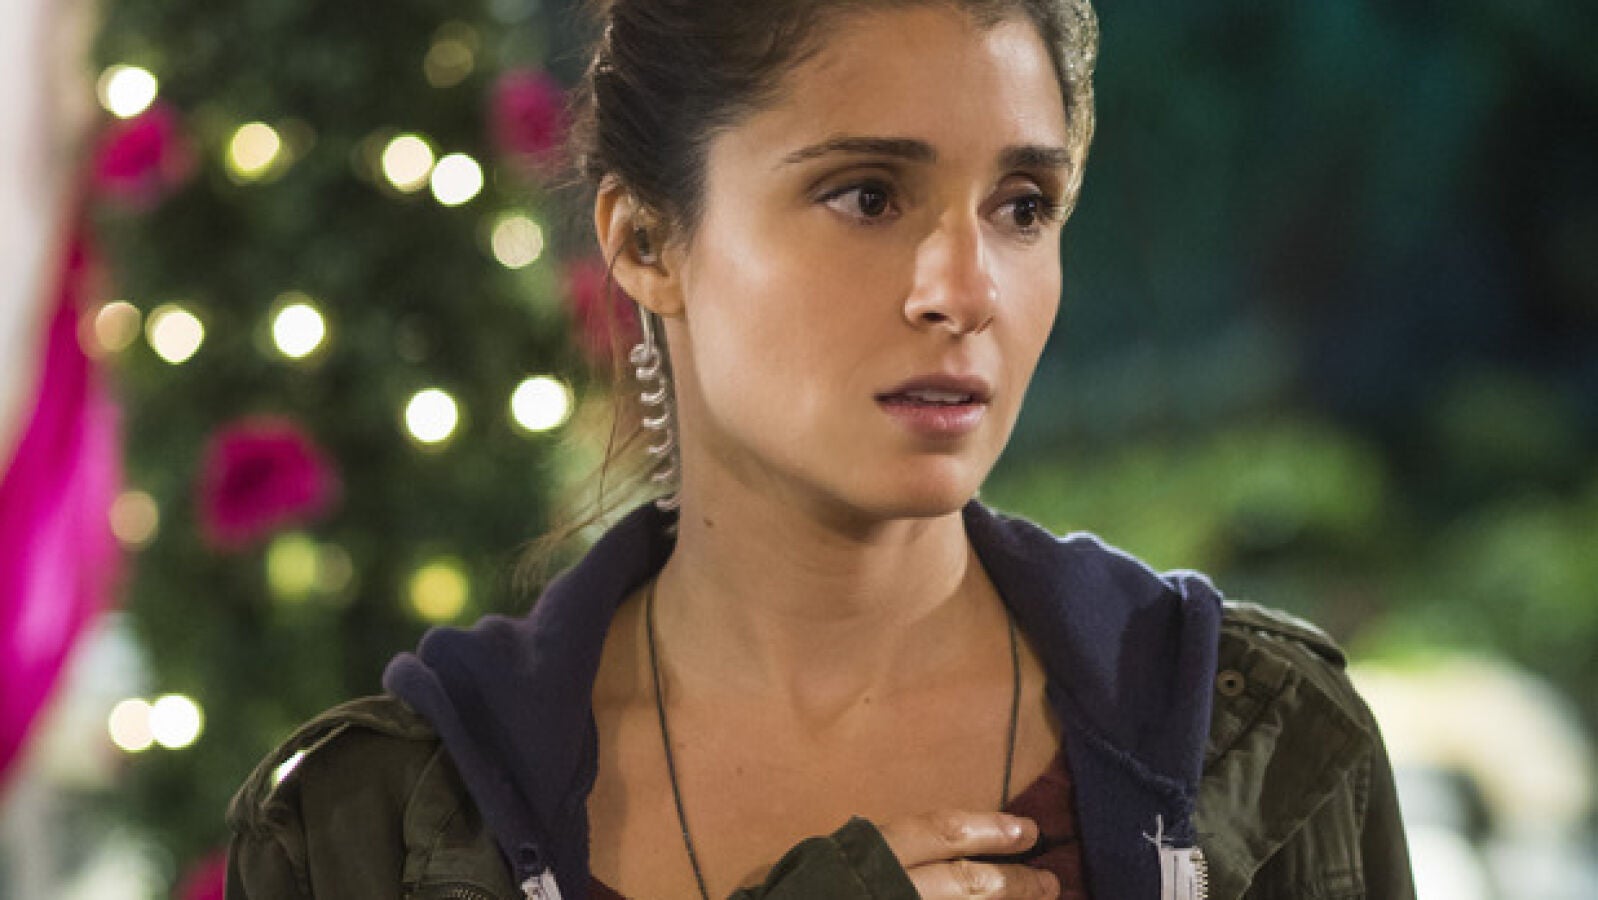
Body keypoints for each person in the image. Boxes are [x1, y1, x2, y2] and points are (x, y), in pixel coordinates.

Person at [225, 1, 1416, 898]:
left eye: (1020, 207)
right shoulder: (372, 825)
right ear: (645, 241)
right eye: (866, 196)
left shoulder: (1255, 747)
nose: (963, 291)